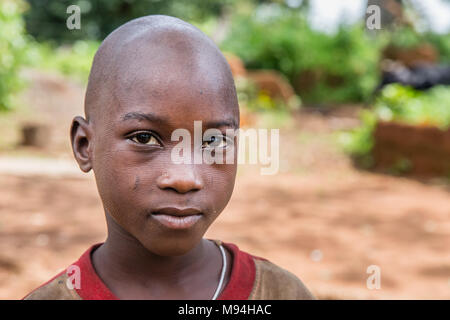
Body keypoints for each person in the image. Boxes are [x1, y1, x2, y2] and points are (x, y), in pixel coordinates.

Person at [23, 15, 314, 300]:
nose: (184, 178)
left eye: (213, 140)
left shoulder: (281, 293)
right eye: (144, 138)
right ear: (85, 145)